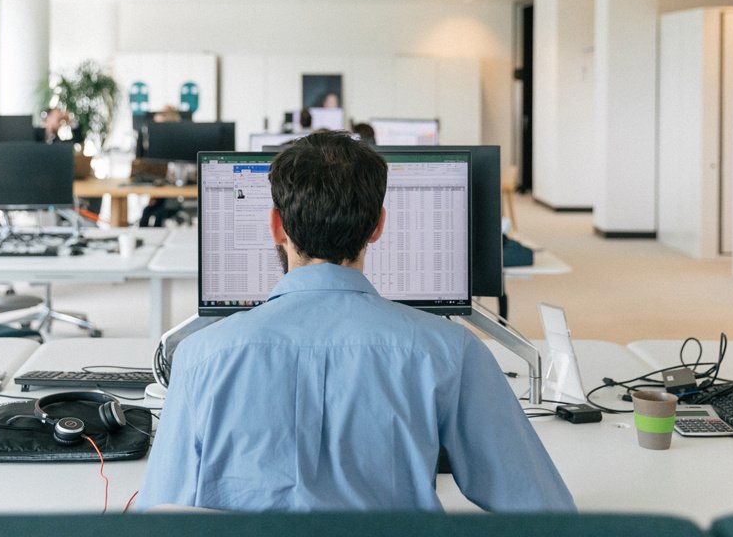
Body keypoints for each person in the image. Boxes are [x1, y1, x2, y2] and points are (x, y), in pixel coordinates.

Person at [136, 131, 574, 512]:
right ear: (378, 226)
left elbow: (162, 510)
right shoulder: (449, 351)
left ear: (276, 226)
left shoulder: (198, 358)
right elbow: (545, 509)